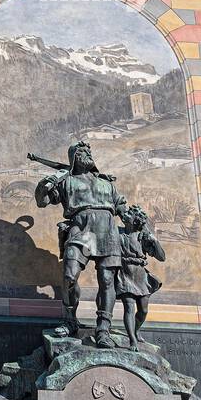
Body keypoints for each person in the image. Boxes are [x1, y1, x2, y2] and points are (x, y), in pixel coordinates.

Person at [34, 141, 126, 345]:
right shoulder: (66, 181)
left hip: (108, 230)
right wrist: (44, 184)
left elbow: (122, 209)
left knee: (107, 279)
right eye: (82, 151)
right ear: (73, 158)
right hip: (80, 226)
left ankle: (103, 328)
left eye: (88, 151)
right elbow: (42, 201)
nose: (87, 153)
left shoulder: (106, 182)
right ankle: (70, 320)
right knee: (69, 275)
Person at [115, 205, 164, 348]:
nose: (126, 215)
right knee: (129, 308)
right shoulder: (118, 233)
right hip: (124, 274)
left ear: (135, 220)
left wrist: (155, 241)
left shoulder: (142, 236)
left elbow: (162, 257)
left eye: (130, 214)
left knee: (143, 310)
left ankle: (136, 331)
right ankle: (132, 340)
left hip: (141, 275)